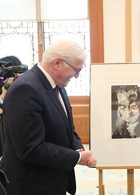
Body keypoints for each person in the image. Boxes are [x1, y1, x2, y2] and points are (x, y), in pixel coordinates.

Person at [0, 39, 97, 195]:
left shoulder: (57, 84)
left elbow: (66, 128)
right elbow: (31, 148)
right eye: (76, 70)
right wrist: (77, 157)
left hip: (53, 180)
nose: (78, 76)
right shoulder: (26, 89)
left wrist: (77, 147)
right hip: (31, 184)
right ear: (57, 63)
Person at [0, 56, 24, 157]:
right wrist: (4, 91)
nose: (17, 75)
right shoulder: (3, 82)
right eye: (14, 73)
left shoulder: (24, 84)